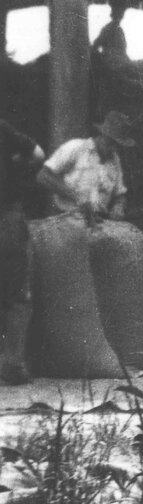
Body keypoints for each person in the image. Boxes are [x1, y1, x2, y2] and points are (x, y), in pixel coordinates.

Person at [0, 120, 45, 385]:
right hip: (7, 218)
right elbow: (38, 155)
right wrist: (15, 168)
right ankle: (12, 365)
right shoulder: (4, 129)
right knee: (16, 294)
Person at [37, 110, 134, 226]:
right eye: (110, 143)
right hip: (67, 218)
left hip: (99, 222)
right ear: (102, 135)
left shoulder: (115, 160)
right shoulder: (76, 147)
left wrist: (119, 207)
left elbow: (120, 194)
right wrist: (75, 195)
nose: (113, 149)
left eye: (117, 146)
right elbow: (43, 176)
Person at [92, 0, 129, 64]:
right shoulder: (108, 29)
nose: (121, 16)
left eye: (121, 13)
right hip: (112, 64)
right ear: (114, 14)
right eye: (120, 13)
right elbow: (95, 45)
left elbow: (123, 51)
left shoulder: (119, 30)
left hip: (120, 63)